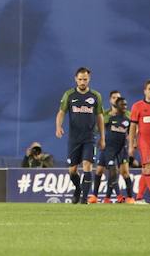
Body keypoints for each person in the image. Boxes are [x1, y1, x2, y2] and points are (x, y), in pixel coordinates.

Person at [55, 67, 105, 204]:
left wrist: (102, 137)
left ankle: (84, 199)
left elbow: (100, 117)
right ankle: (78, 189)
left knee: (87, 165)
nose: (83, 82)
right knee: (72, 170)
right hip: (74, 138)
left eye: (85, 79)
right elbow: (61, 112)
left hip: (90, 137)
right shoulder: (69, 95)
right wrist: (58, 127)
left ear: (89, 79)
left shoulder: (95, 96)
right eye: (80, 79)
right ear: (76, 79)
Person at [94, 96, 134, 203]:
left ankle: (130, 197)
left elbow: (132, 133)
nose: (124, 106)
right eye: (122, 104)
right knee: (112, 172)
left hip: (122, 149)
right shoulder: (109, 118)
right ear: (116, 106)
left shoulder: (128, 120)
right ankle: (117, 196)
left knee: (125, 173)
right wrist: (100, 139)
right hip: (110, 150)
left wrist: (133, 143)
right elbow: (99, 127)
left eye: (125, 104)